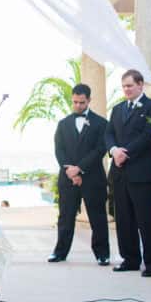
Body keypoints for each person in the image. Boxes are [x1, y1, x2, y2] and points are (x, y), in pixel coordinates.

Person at [105, 68, 151, 278]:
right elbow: (109, 133)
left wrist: (126, 153)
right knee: (124, 219)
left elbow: (149, 135)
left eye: (130, 86)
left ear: (140, 85)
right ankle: (130, 259)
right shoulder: (117, 109)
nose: (126, 90)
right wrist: (114, 150)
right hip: (120, 173)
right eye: (124, 86)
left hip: (143, 172)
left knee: (148, 219)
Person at [50, 83, 110, 264]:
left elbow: (100, 149)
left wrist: (80, 169)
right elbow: (59, 150)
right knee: (65, 217)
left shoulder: (101, 123)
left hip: (93, 178)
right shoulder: (63, 124)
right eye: (75, 102)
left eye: (81, 103)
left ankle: (102, 254)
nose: (78, 106)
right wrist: (70, 170)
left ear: (89, 100)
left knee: (97, 217)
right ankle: (60, 252)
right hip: (68, 177)